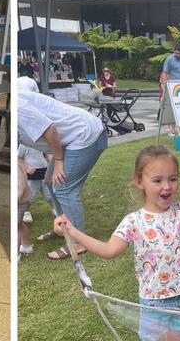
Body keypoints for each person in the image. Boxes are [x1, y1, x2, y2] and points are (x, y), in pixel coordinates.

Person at [55, 146, 180, 340]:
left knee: (179, 336)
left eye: (173, 179)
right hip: (155, 302)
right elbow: (109, 250)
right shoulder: (133, 222)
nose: (167, 186)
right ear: (139, 181)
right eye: (157, 180)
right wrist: (73, 232)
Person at [15, 78, 109, 260]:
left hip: (85, 135)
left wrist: (58, 161)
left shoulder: (18, 108)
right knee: (50, 182)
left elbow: (50, 130)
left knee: (64, 188)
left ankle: (77, 241)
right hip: (71, 140)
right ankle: (64, 227)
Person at [16, 143, 52, 255]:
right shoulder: (24, 145)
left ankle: (57, 212)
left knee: (50, 195)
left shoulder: (42, 142)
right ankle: (26, 211)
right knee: (29, 199)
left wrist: (52, 166)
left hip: (44, 174)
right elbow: (19, 158)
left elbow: (47, 154)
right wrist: (26, 168)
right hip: (32, 177)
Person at [159, 42, 180, 135]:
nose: (178, 55)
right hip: (172, 86)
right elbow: (164, 73)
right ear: (173, 51)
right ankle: (170, 129)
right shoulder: (169, 59)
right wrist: (164, 89)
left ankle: (179, 127)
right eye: (176, 53)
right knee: (171, 109)